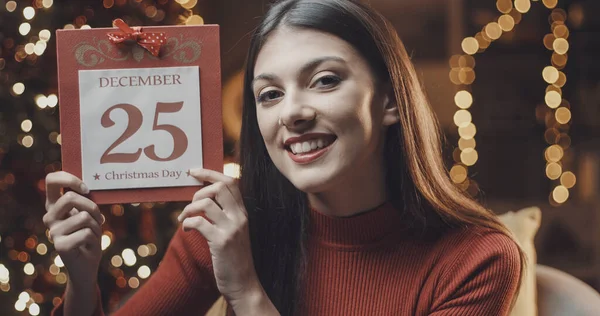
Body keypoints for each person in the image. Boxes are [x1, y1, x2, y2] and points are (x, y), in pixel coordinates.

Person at [44, 0, 524, 315]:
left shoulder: (477, 260)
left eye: (326, 80)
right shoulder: (224, 227)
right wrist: (82, 283)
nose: (292, 113)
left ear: (389, 100)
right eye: (269, 94)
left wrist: (248, 294)